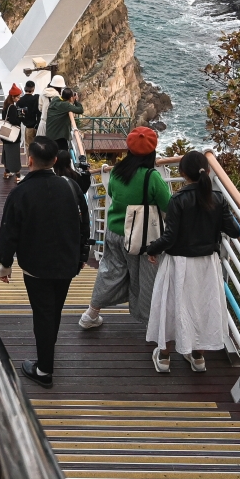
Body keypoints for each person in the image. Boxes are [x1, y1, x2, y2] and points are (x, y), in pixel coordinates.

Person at [0, 137, 90, 388]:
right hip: (68, 261)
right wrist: (82, 256)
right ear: (55, 160)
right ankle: (48, 351)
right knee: (54, 309)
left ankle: (45, 368)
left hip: (36, 265)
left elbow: (9, 231)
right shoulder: (71, 187)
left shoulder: (20, 192)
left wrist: (5, 264)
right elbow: (84, 223)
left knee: (43, 313)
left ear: (30, 160)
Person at [143, 150, 240, 373]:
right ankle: (198, 358)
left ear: (181, 174)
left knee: (170, 307)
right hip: (207, 263)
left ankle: (164, 358)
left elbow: (170, 237)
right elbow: (235, 231)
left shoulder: (178, 200)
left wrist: (152, 249)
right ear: (208, 171)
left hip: (179, 263)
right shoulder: (218, 199)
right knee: (202, 307)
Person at [79, 127, 171, 330]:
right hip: (141, 236)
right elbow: (168, 206)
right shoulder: (151, 176)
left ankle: (91, 314)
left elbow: (111, 193)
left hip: (114, 231)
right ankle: (150, 325)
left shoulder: (117, 171)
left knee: (110, 272)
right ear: (152, 151)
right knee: (146, 278)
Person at [44, 87, 84, 151]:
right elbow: (80, 110)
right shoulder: (65, 105)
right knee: (62, 154)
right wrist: (76, 100)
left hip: (50, 135)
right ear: (71, 98)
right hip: (58, 137)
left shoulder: (55, 99)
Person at [0, 85, 24, 182]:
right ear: (13, 97)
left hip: (5, 134)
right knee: (14, 154)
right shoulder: (13, 107)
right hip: (12, 135)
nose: (19, 98)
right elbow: (15, 121)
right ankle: (17, 176)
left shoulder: (6, 105)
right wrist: (21, 116)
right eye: (17, 97)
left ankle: (7, 172)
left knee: (6, 153)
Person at [19, 80, 42, 147]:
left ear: (25, 88)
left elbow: (20, 116)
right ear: (33, 89)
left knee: (29, 147)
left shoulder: (20, 101)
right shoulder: (36, 98)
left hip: (28, 127)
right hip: (38, 127)